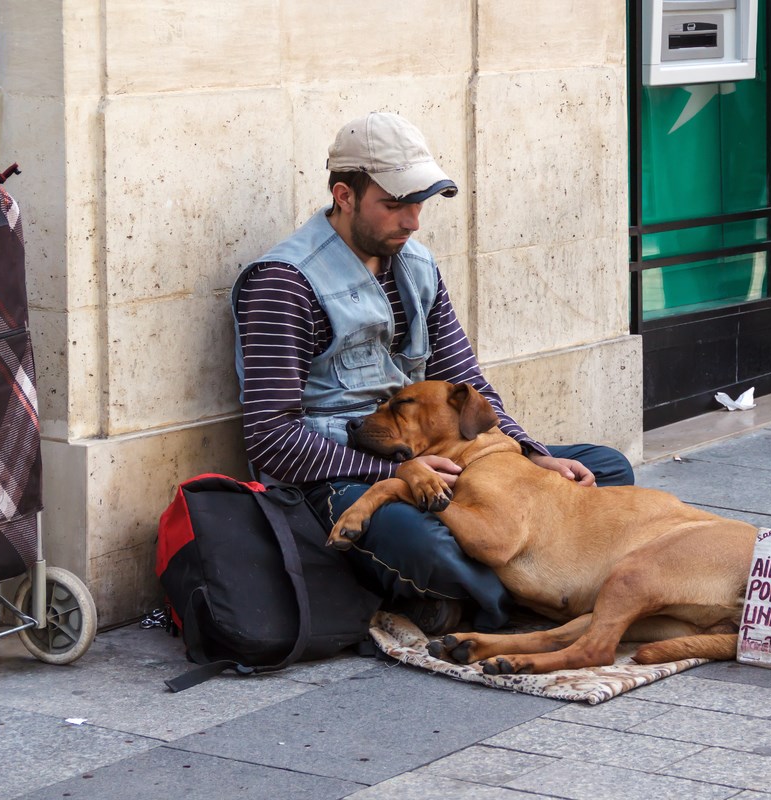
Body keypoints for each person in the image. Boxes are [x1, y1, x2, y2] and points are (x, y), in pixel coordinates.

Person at [230, 112, 634, 635]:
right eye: (394, 204)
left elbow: (467, 383)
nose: (412, 221)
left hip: (440, 463)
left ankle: (498, 592)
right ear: (344, 195)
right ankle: (538, 586)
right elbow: (270, 440)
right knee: (430, 545)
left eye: (417, 203)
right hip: (336, 479)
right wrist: (394, 474)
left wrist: (536, 455)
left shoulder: (416, 263)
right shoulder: (283, 283)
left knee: (604, 468)